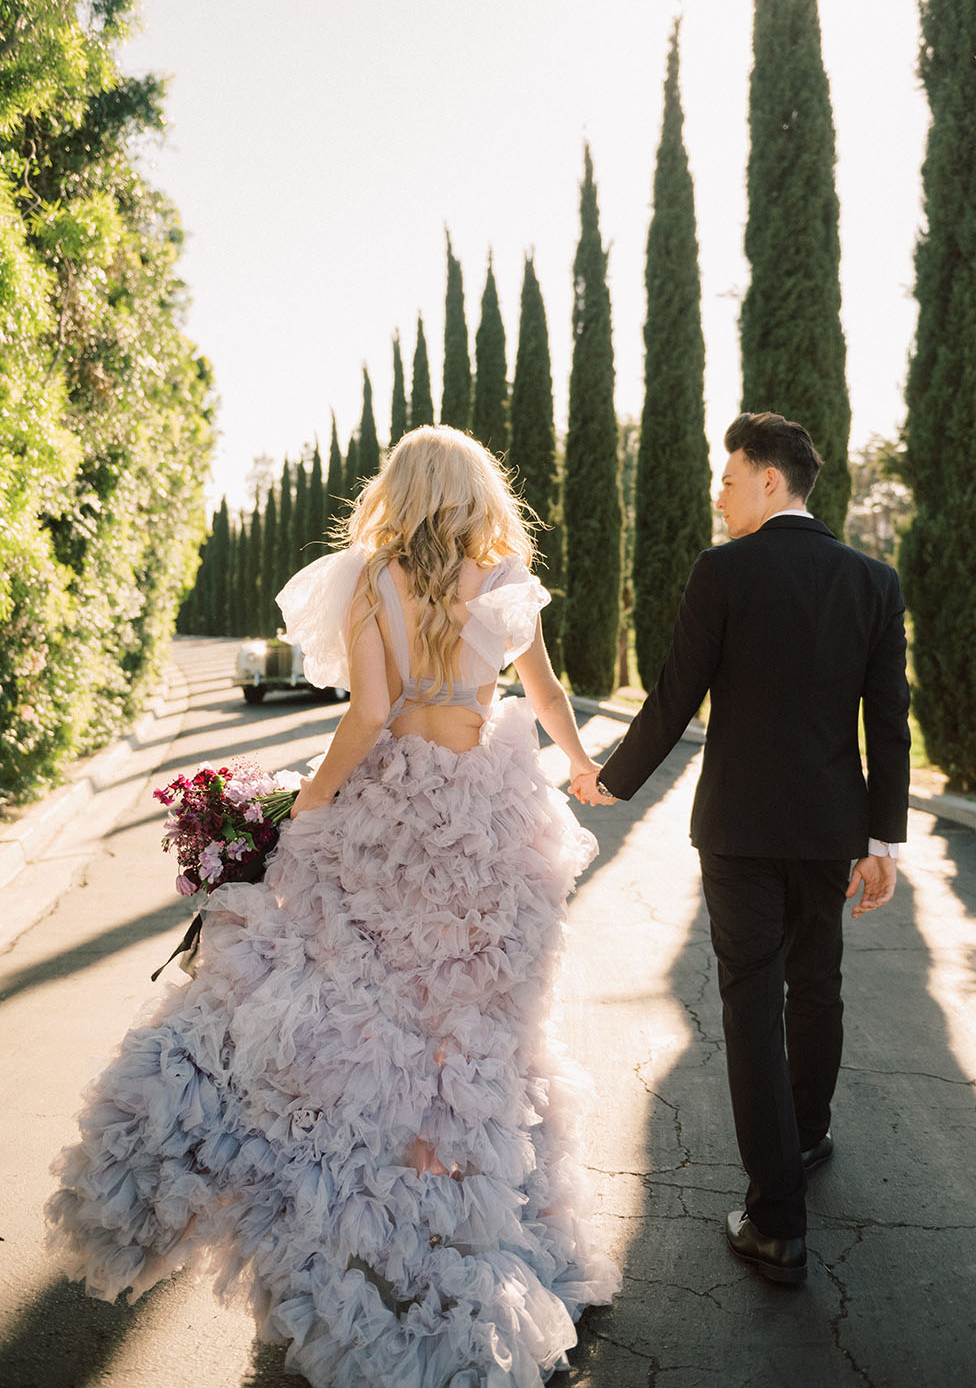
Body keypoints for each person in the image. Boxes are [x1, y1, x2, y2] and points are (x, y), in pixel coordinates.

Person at [47, 425, 620, 1385]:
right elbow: (546, 690)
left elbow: (367, 716)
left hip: (389, 815)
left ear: (399, 490)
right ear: (480, 496)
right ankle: (472, 1233)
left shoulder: (370, 580)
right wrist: (579, 764)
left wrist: (300, 813)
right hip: (488, 820)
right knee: (470, 1041)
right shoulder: (505, 576)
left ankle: (356, 1236)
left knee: (347, 1017)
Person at [574, 411, 910, 1285]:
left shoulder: (723, 572)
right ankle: (805, 1137)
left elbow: (675, 695)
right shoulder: (874, 581)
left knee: (752, 1007)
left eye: (727, 480)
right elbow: (889, 726)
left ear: (769, 479)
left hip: (737, 832)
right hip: (831, 831)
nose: (716, 497)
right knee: (818, 986)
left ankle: (775, 1222)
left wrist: (610, 781)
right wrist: (882, 840)